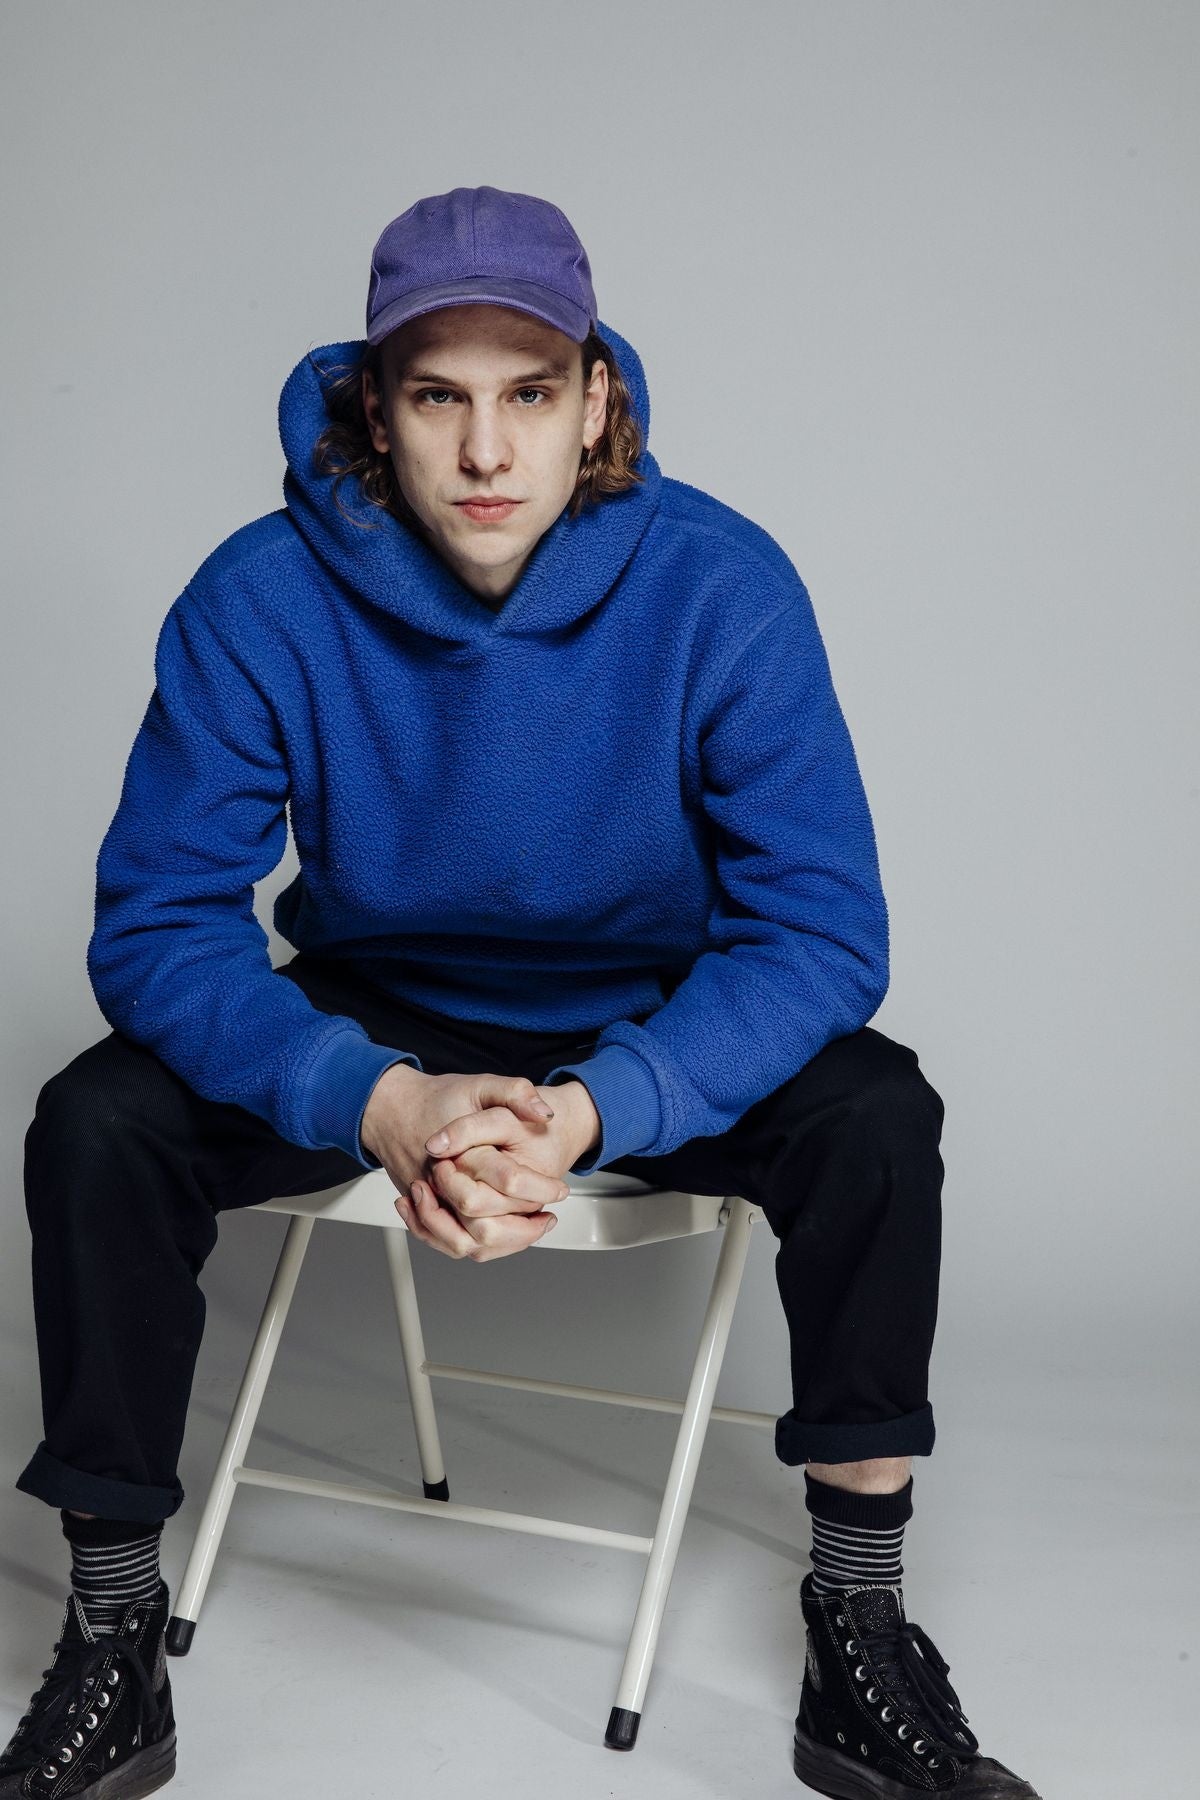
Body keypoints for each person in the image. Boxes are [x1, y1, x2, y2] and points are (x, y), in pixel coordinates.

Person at [2, 185, 1041, 1799]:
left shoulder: (722, 585)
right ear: (375, 410)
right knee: (95, 1124)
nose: (487, 451)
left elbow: (821, 932)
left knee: (879, 1118)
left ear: (595, 400)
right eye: (439, 398)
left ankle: (858, 1618)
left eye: (530, 394)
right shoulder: (256, 598)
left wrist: (594, 1108)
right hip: (379, 1012)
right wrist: (379, 1099)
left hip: (650, 1018)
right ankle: (113, 1629)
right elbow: (158, 927)